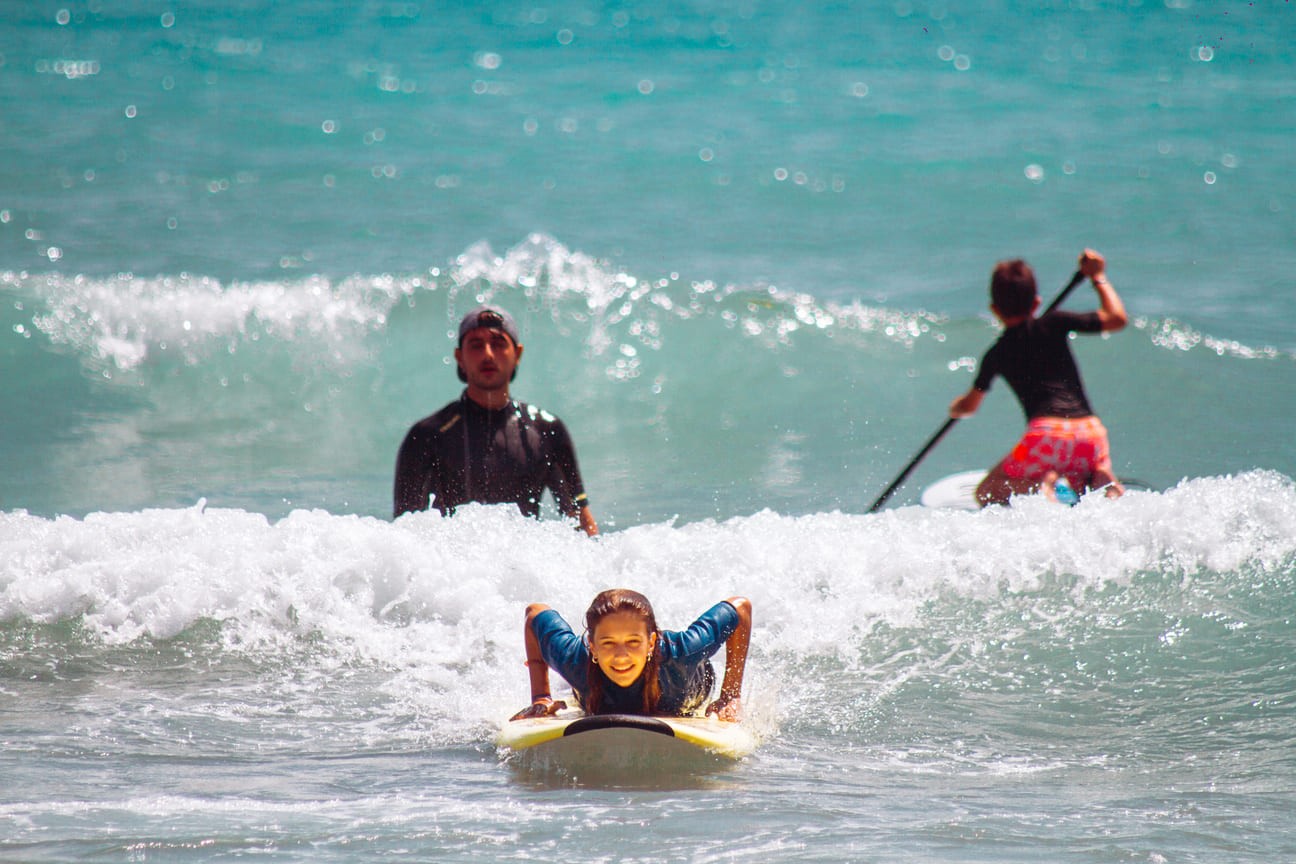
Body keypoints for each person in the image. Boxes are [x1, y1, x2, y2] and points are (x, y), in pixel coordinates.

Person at [393, 305, 598, 535]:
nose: (488, 354)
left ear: (517, 354)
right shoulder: (427, 436)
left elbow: (581, 523)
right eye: (476, 345)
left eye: (498, 343)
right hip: (449, 569)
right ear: (459, 357)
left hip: (523, 568)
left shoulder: (547, 431)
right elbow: (404, 535)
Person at [948, 249, 1129, 507]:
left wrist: (957, 407)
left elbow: (969, 407)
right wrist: (1098, 277)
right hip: (1090, 432)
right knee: (1086, 474)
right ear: (1036, 302)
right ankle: (1103, 480)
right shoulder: (1055, 322)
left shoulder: (996, 353)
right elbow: (1117, 319)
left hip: (1046, 435)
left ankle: (1044, 484)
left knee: (987, 491)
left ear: (994, 310)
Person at [510, 589, 752, 722]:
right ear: (592, 646)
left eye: (633, 642)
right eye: (608, 643)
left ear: (651, 642)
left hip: (690, 686)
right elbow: (535, 613)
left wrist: (730, 695)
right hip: (593, 680)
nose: (621, 656)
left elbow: (740, 607)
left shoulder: (683, 652)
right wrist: (541, 697)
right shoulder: (574, 659)